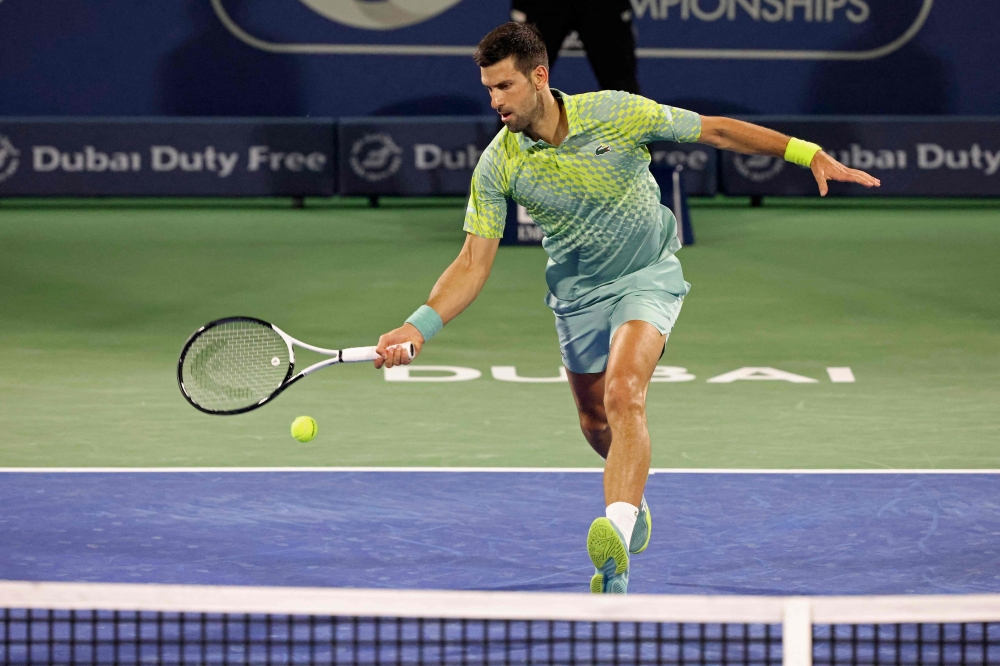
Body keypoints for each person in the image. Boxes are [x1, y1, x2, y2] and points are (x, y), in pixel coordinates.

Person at [375, 22, 879, 594]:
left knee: (624, 392)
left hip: (646, 276)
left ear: (539, 77)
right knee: (595, 421)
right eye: (489, 89)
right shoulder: (499, 164)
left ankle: (614, 544)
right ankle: (632, 497)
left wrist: (806, 153)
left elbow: (714, 129)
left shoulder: (616, 112)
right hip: (577, 296)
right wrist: (417, 327)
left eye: (505, 86)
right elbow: (472, 262)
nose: (496, 101)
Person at [510, 0, 640, 94]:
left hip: (602, 5)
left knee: (621, 84)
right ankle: (512, 126)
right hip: (543, 4)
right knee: (524, 77)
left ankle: (633, 124)